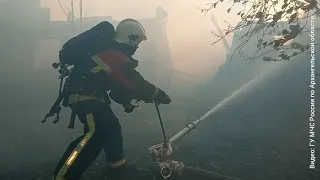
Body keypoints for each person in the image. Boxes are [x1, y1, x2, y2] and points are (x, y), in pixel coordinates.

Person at [52, 19, 171, 180]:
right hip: (85, 97)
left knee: (112, 128)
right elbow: (134, 82)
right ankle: (63, 175)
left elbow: (118, 85)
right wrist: (157, 93)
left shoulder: (110, 51)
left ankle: (117, 167)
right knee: (95, 134)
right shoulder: (114, 55)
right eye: (137, 43)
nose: (137, 47)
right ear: (130, 39)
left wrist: (127, 98)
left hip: (93, 97)